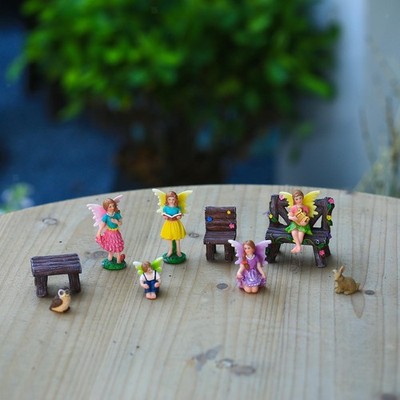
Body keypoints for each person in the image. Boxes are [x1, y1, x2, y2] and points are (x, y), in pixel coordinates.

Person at [95, 198, 125, 266]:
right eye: (110, 206)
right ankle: (110, 259)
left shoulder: (116, 214)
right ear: (106, 208)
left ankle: (118, 261)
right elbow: (102, 226)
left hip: (116, 233)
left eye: (113, 206)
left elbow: (120, 223)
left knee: (118, 247)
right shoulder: (106, 216)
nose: (112, 208)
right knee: (111, 248)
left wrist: (116, 222)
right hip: (109, 233)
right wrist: (98, 232)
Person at [285, 190, 312, 254]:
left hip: (302, 224)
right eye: (296, 199)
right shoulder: (293, 208)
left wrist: (306, 222)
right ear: (294, 200)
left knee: (301, 233)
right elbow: (289, 216)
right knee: (294, 231)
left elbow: (308, 217)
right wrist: (293, 218)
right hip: (295, 223)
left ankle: (297, 246)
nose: (299, 200)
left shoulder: (305, 208)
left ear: (302, 197)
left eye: (300, 198)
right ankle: (299, 246)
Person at [160, 191, 186, 258]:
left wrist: (179, 216)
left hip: (176, 223)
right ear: (167, 200)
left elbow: (180, 214)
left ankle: (178, 251)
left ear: (175, 199)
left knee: (177, 238)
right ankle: (170, 250)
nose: (171, 201)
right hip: (168, 223)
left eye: (173, 199)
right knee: (170, 238)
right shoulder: (165, 208)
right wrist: (165, 217)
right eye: (169, 199)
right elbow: (163, 214)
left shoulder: (177, 207)